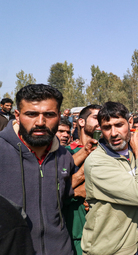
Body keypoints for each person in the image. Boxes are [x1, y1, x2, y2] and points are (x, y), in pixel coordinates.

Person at [0, 84, 74, 255]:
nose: (40, 122)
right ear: (17, 116)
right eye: (31, 114)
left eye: (49, 115)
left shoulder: (64, 156)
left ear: (59, 116)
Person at [81, 101, 138, 255]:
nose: (113, 133)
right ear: (101, 129)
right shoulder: (97, 163)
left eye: (119, 125)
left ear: (130, 122)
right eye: (107, 127)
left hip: (132, 248)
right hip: (107, 251)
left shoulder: (132, 152)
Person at [63, 104, 101, 255]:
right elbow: (55, 189)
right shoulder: (65, 153)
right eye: (96, 117)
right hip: (74, 231)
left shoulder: (109, 152)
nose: (101, 122)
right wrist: (77, 191)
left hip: (101, 233)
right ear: (81, 122)